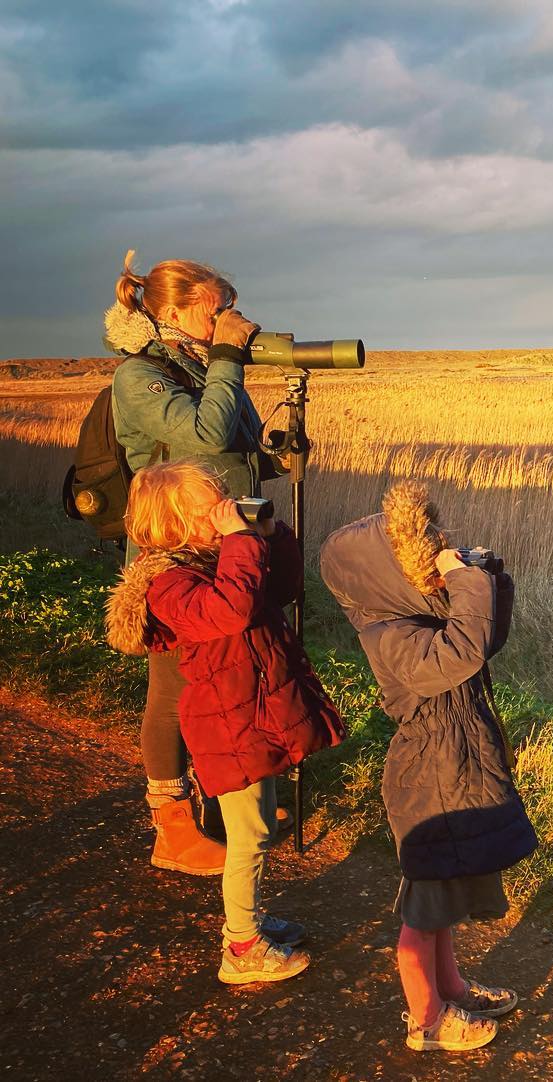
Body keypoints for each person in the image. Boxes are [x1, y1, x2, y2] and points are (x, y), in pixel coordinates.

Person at [105, 460, 345, 983]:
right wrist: (238, 542)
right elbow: (230, 612)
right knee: (251, 833)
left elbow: (277, 588)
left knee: (256, 826)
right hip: (226, 725)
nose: (221, 511)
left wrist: (268, 535)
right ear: (174, 523)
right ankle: (241, 947)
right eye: (207, 507)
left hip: (249, 712)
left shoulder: (215, 558)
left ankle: (250, 921)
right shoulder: (168, 583)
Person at [318, 481, 536, 1052]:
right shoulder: (387, 634)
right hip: (427, 776)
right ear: (381, 577)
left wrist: (485, 576)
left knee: (447, 897)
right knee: (424, 907)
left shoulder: (419, 613)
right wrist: (465, 586)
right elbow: (461, 653)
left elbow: (486, 638)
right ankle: (427, 1021)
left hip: (456, 765)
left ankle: (451, 988)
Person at [105, 249, 280, 875]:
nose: (230, 320)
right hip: (172, 551)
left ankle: (225, 797)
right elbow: (205, 436)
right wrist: (230, 360)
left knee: (227, 670)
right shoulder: (139, 376)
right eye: (217, 311)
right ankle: (170, 824)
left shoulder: (202, 363)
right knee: (173, 685)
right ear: (175, 311)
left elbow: (239, 442)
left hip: (222, 540)